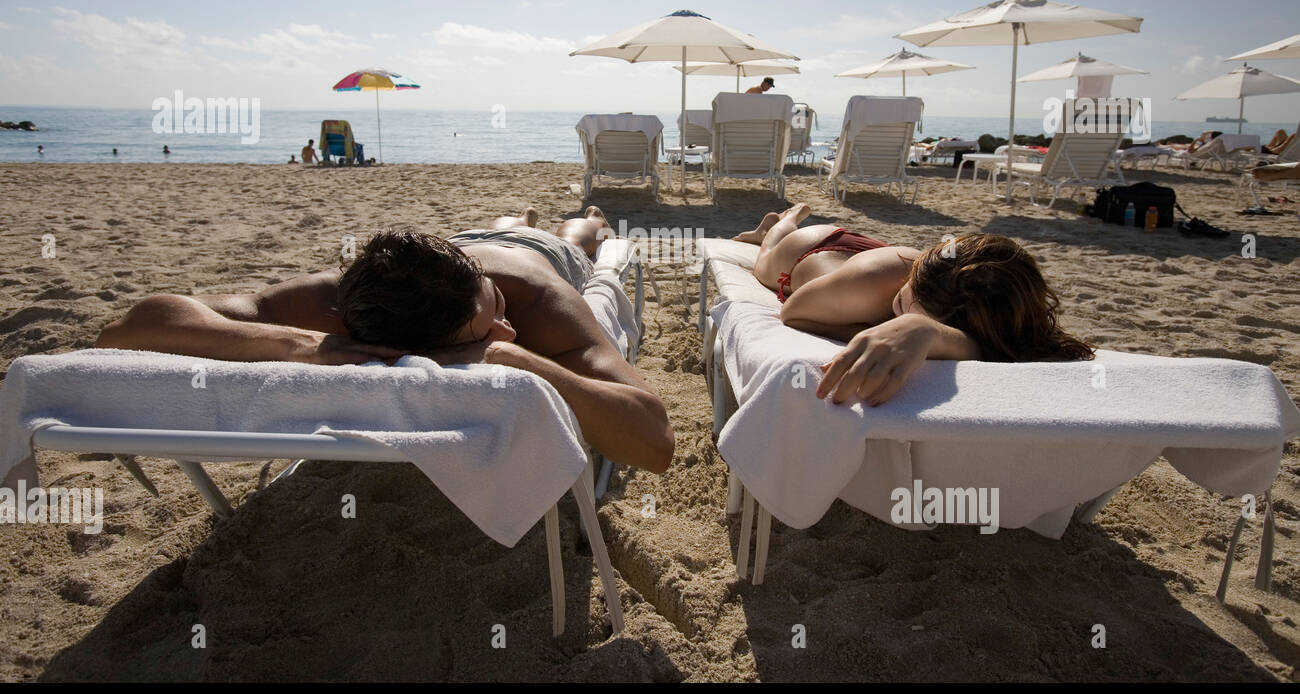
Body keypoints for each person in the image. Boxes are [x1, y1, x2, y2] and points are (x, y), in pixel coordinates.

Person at [96, 205, 673, 473]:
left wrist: (509, 354)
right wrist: (303, 346)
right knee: (502, 224)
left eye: (493, 307)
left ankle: (585, 220)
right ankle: (510, 219)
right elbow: (130, 328)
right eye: (487, 327)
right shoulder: (340, 304)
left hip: (539, 259)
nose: (506, 328)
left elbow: (654, 443)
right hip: (459, 244)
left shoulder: (534, 303)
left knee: (570, 234)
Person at [732, 205, 1093, 406]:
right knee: (765, 261)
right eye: (903, 303)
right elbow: (793, 312)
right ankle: (782, 220)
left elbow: (988, 346)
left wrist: (928, 332)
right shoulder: (867, 286)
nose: (901, 313)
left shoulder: (984, 309)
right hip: (811, 249)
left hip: (882, 255)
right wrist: (873, 328)